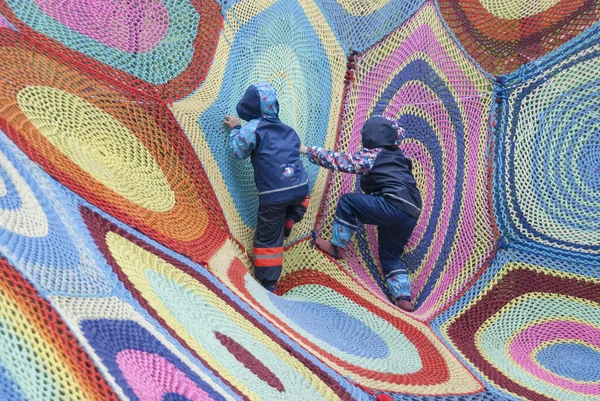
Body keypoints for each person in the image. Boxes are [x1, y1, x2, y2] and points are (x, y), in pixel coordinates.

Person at [300, 116, 421, 311]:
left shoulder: (373, 155)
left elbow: (341, 161)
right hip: (411, 211)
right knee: (390, 255)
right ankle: (403, 297)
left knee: (349, 202)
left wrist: (308, 151)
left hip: (392, 204)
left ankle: (336, 247)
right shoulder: (400, 156)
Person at [224, 82, 310, 292]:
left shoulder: (252, 128)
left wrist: (236, 128)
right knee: (300, 196)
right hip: (300, 187)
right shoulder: (289, 130)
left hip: (273, 196)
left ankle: (268, 282)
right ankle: (290, 218)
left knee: (268, 238)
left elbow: (238, 151)